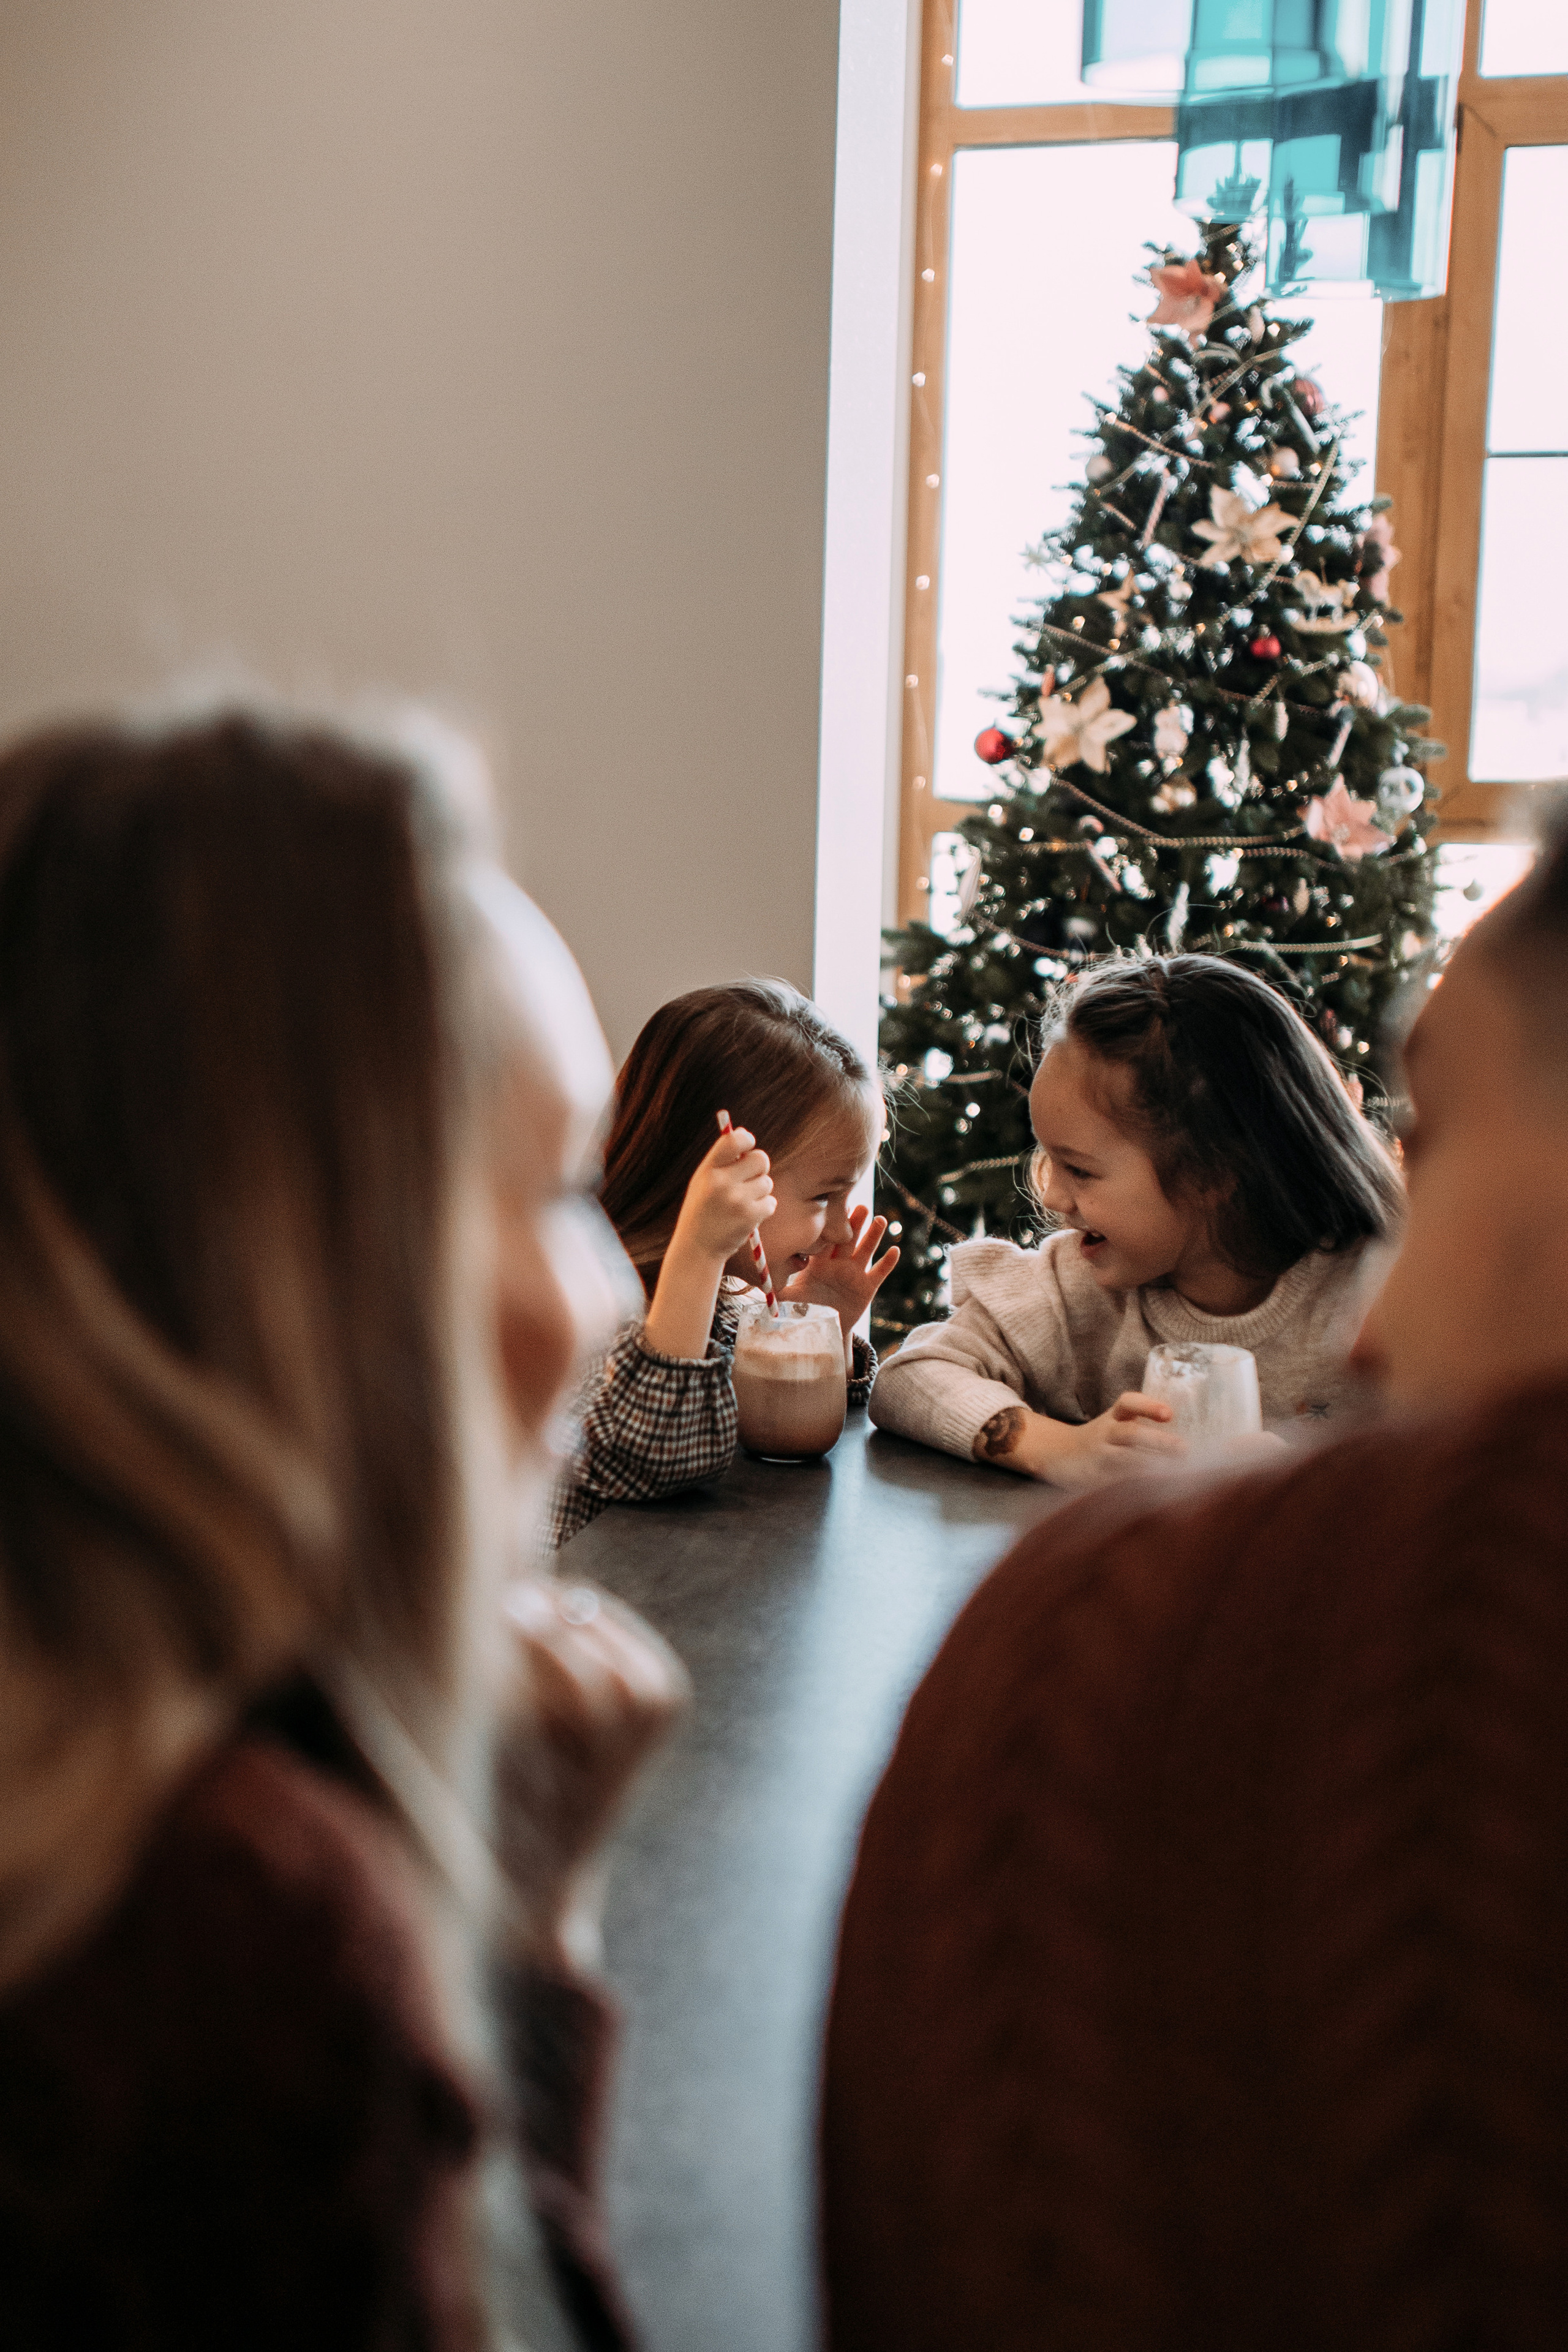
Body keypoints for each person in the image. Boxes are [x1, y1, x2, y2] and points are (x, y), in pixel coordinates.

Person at [821, 823, 1568, 2348]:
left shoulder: (1344, 1307)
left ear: (1219, 1169)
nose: (1379, 1337)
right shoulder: (1074, 1285)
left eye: (1446, 1136)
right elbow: (916, 1361)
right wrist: (1051, 1443)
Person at [0, 707, 686, 2351]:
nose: (598, 1304)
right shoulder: (227, 1937)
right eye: (541, 1195)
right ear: (296, 1256)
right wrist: (524, 1949)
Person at [869, 953, 1401, 1487]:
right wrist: (1062, 1447)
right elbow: (909, 1377)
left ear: (1213, 1173)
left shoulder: (1380, 1294)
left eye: (1079, 1170)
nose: (1052, 1195)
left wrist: (1309, 1479)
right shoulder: (1074, 1289)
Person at [549, 981, 899, 1548]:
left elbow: (778, 1437)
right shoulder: (592, 1308)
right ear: (721, 1174)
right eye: (822, 1197)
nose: (840, 1228)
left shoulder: (735, 1304)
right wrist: (699, 1253)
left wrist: (825, 1329)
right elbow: (657, 1463)